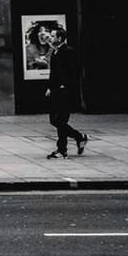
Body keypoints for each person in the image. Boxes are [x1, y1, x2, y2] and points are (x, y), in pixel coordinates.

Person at [45, 25, 88, 159]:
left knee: (61, 120)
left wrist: (65, 86)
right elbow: (53, 73)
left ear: (60, 38)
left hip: (65, 91)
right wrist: (50, 87)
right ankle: (79, 137)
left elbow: (74, 72)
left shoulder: (69, 51)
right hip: (55, 90)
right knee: (54, 120)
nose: (50, 38)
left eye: (53, 36)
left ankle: (62, 150)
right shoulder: (55, 51)